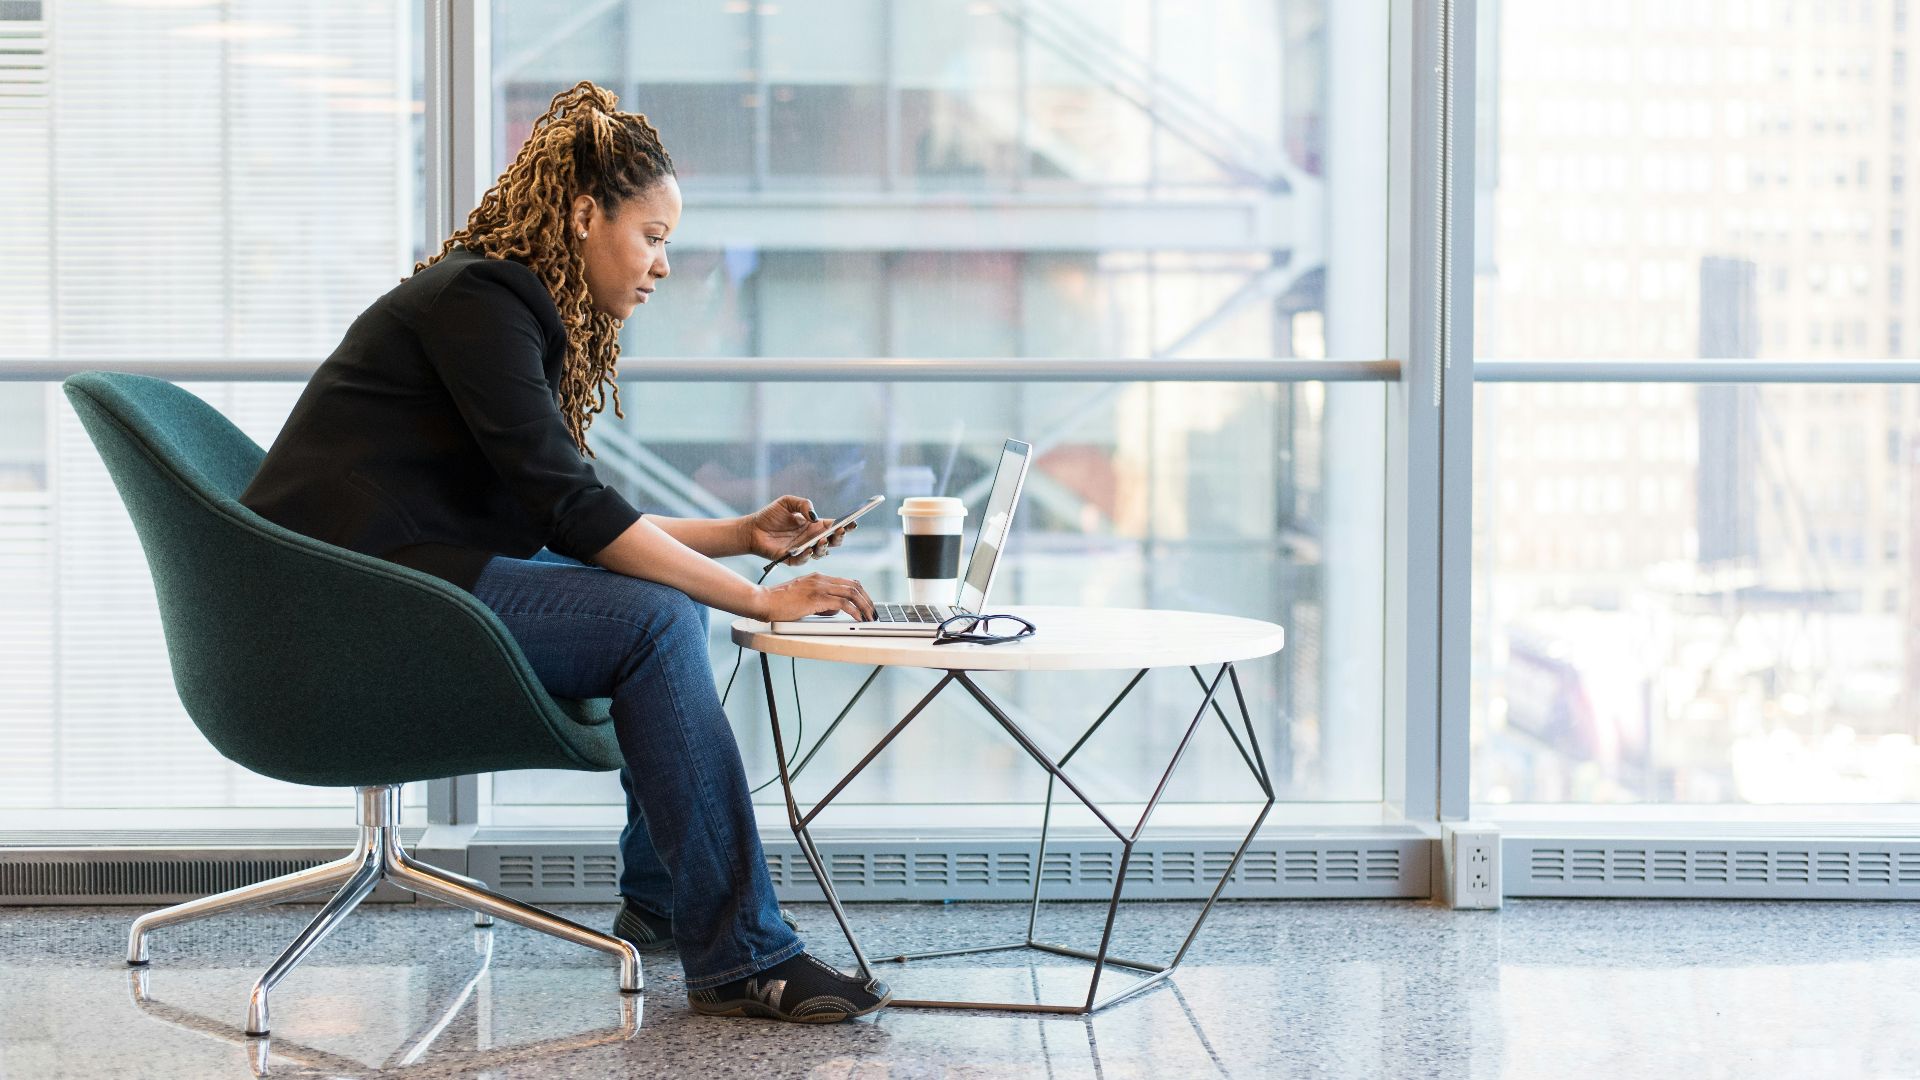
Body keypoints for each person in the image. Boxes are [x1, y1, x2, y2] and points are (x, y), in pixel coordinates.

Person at [240, 81, 889, 1023]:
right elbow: (575, 511)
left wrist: (740, 538)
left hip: (387, 578)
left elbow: (568, 512)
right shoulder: (482, 301)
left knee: (667, 601)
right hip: (343, 602)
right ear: (585, 216)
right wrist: (756, 596)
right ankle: (743, 955)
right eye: (652, 236)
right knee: (657, 618)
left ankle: (665, 904)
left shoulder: (496, 304)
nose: (664, 264)